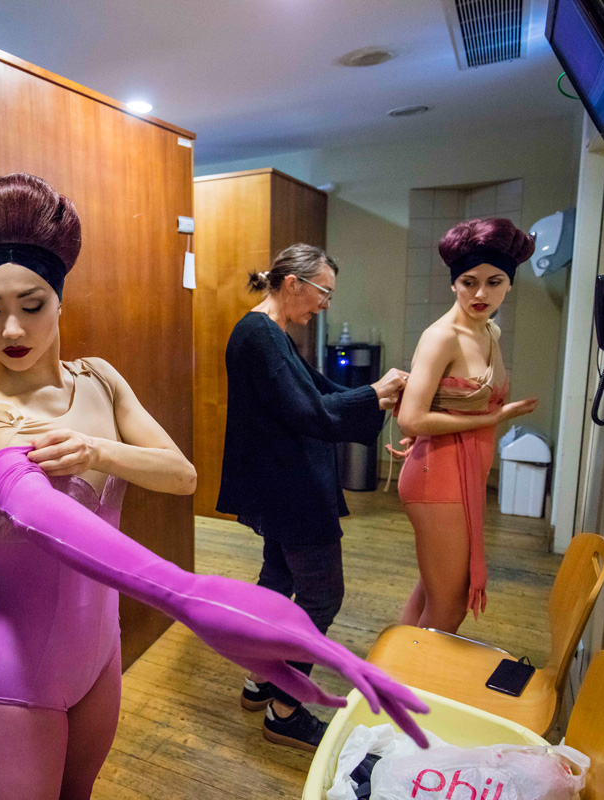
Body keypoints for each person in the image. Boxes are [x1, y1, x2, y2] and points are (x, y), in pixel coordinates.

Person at [0, 175, 428, 799]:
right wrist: (191, 597)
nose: (12, 329)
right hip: (19, 679)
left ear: (60, 301)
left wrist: (97, 449)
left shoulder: (97, 380)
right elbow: (55, 523)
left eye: (32, 304)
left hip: (101, 655)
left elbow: (183, 475)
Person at [215, 244, 408, 752]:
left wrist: (376, 393)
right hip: (292, 489)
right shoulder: (259, 334)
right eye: (323, 291)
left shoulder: (269, 332)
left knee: (277, 586)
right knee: (322, 596)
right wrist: (374, 395)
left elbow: (317, 391)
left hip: (283, 485)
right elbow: (308, 410)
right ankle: (286, 708)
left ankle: (260, 681)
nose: (325, 304)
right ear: (293, 282)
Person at [392, 218, 538, 634]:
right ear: (453, 283)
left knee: (432, 591)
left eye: (494, 282)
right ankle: (417, 694)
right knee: (450, 605)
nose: (481, 293)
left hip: (464, 471)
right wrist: (495, 417)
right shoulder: (444, 336)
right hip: (436, 476)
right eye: (469, 282)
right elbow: (411, 417)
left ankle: (392, 686)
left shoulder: (488, 329)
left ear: (509, 284)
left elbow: (446, 403)